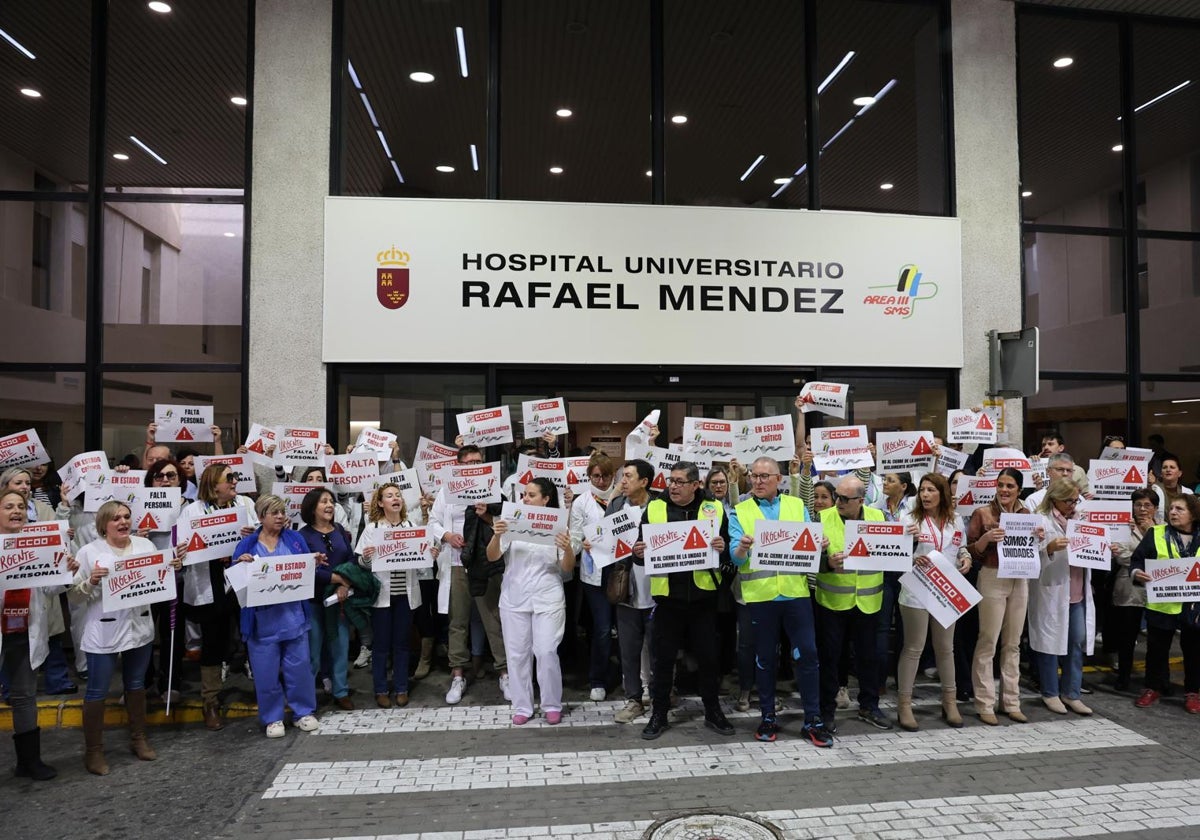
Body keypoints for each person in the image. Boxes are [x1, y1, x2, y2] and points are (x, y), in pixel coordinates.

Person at [71, 500, 182, 774]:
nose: (122, 522)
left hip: (139, 628)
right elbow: (73, 597)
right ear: (103, 524)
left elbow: (158, 583)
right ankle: (94, 751)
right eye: (115, 518)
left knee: (135, 685)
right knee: (97, 690)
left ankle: (138, 738)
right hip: (104, 630)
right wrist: (91, 581)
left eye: (126, 517)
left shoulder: (145, 546)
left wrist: (171, 567)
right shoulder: (88, 552)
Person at [728, 457, 833, 747]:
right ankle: (767, 717)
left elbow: (811, 543)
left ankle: (813, 719)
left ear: (778, 479)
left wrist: (820, 544)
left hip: (795, 594)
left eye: (764, 476)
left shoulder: (796, 506)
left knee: (808, 656)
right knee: (764, 660)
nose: (758, 481)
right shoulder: (740, 510)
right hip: (760, 596)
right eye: (753, 476)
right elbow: (734, 559)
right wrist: (741, 549)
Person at [636, 461, 733, 740]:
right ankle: (659, 713)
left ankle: (713, 710)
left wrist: (722, 547)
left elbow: (725, 551)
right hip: (668, 599)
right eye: (671, 480)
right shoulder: (654, 508)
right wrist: (638, 553)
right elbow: (640, 552)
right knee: (663, 660)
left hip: (703, 598)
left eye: (680, 481)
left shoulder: (713, 508)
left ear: (695, 485)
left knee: (708, 659)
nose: (673, 486)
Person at [487, 477, 575, 725]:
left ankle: (551, 704)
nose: (525, 498)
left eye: (532, 495)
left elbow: (567, 567)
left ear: (546, 499)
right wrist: (496, 536)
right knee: (517, 655)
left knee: (546, 651)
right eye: (524, 494)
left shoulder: (559, 526)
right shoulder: (511, 522)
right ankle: (522, 705)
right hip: (514, 597)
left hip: (548, 597)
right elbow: (492, 556)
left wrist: (567, 548)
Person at [231, 495, 321, 737]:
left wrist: (315, 561)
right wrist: (240, 564)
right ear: (261, 517)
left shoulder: (295, 539)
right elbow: (233, 581)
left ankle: (303, 712)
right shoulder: (247, 545)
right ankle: (273, 718)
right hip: (261, 624)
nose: (281, 517)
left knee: (299, 667)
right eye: (274, 513)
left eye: (282, 512)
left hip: (293, 618)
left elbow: (306, 567)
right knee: (265, 673)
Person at [0, 489, 74, 780]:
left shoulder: (39, 544)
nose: (16, 511)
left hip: (25, 632)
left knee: (24, 696)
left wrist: (65, 572)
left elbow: (50, 589)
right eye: (8, 506)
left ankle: (28, 762)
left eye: (20, 506)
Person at [181, 463, 259, 731]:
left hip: (240, 576)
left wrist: (250, 537)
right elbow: (183, 548)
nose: (235, 481)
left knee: (252, 633)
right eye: (230, 478)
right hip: (209, 580)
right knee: (213, 642)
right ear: (214, 484)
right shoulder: (192, 511)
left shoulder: (245, 505)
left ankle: (263, 687)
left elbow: (262, 535)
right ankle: (210, 701)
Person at [430, 444, 508, 705]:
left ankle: (504, 672)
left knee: (493, 619)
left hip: (485, 562)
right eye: (468, 463)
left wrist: (486, 515)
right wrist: (447, 535)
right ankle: (458, 674)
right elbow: (433, 521)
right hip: (456, 562)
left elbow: (505, 522)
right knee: (458, 621)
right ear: (459, 465)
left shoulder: (493, 489)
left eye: (478, 462)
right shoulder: (446, 490)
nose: (474, 467)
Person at [815, 475, 891, 731]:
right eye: (837, 496)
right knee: (830, 659)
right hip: (832, 603)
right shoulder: (822, 518)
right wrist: (827, 563)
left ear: (860, 499)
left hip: (868, 602)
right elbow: (804, 560)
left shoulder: (879, 518)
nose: (838, 502)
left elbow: (893, 553)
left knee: (868, 658)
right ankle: (826, 710)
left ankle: (869, 705)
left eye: (845, 499)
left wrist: (909, 539)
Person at [896, 473, 971, 731]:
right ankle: (904, 704)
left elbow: (960, 546)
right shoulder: (908, 518)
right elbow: (893, 552)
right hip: (917, 588)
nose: (925, 495)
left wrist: (966, 557)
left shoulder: (956, 519)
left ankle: (950, 701)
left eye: (931, 490)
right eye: (923, 490)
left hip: (945, 589)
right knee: (914, 647)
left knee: (945, 648)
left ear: (942, 494)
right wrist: (911, 546)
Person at [356, 483, 428, 708]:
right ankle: (380, 689)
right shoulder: (373, 528)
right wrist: (367, 556)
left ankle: (401, 688)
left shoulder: (411, 525)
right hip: (382, 596)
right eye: (389, 496)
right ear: (380, 503)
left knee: (402, 643)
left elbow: (421, 561)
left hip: (405, 595)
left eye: (398, 495)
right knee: (381, 644)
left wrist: (429, 553)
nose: (395, 498)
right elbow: (361, 562)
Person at [967, 467, 1031, 724]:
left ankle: (1011, 702)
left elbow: (1034, 549)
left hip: (1020, 578)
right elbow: (970, 551)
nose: (1004, 490)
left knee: (1013, 643)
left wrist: (1036, 537)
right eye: (1001, 485)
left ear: (1019, 489)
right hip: (993, 575)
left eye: (1010, 486)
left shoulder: (1027, 514)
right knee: (988, 641)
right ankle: (984, 703)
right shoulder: (982, 513)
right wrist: (985, 538)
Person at [1029, 478, 1095, 716]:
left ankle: (1072, 692)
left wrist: (1106, 548)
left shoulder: (1080, 518)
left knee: (1076, 641)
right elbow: (1028, 557)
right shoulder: (1040, 520)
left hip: (1077, 591)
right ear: (1054, 498)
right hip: (1051, 590)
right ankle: (1050, 692)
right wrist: (1048, 548)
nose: (1073, 505)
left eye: (1075, 500)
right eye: (1068, 500)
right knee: (1049, 644)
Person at [1130, 495, 1200, 713]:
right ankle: (1152, 688)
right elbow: (1137, 560)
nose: (1173, 512)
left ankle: (1193, 693)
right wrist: (1137, 573)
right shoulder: (1156, 532)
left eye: (1179, 509)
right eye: (1171, 508)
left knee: (1194, 652)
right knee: (1156, 651)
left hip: (1194, 606)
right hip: (1162, 604)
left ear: (1193, 514)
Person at [299, 487, 359, 709]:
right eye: (324, 501)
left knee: (340, 647)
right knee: (312, 653)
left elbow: (352, 559)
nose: (330, 505)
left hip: (339, 600)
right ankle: (305, 699)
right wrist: (336, 579)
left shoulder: (340, 530)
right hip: (313, 601)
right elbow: (305, 569)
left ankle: (341, 691)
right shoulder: (302, 536)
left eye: (331, 501)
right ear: (312, 508)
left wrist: (345, 583)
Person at [568, 452, 620, 701]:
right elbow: (574, 539)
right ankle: (597, 679)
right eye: (596, 476)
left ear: (613, 476)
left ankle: (627, 674)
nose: (600, 481)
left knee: (624, 627)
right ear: (589, 476)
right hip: (594, 573)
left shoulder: (622, 498)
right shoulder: (581, 502)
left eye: (605, 476)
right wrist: (582, 544)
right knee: (601, 628)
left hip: (621, 570)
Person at [608, 459, 656, 724]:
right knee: (628, 649)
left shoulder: (659, 506)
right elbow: (606, 539)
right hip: (625, 586)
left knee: (658, 647)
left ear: (644, 482)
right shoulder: (616, 506)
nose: (622, 481)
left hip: (657, 588)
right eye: (621, 476)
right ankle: (634, 699)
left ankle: (661, 694)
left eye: (628, 476)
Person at [141, 458, 191, 703]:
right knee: (143, 634)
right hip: (144, 580)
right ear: (151, 481)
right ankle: (144, 682)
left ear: (180, 480)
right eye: (159, 476)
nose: (165, 480)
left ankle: (170, 683)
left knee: (173, 634)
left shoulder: (190, 508)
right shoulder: (137, 506)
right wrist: (137, 537)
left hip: (176, 579)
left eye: (171, 476)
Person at [1110, 489, 1157, 691]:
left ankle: (1154, 680)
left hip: (1156, 589)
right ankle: (1123, 677)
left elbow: (1166, 558)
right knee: (1127, 637)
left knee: (1156, 639)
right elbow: (1122, 557)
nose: (1142, 509)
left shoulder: (1163, 528)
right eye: (1138, 505)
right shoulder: (1123, 527)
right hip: (1128, 589)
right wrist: (1146, 558)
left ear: (1155, 508)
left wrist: (1149, 533)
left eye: (1147, 505)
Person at [1152, 454, 1194, 521]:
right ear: (1161, 473)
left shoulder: (1188, 492)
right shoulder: (1153, 490)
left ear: (1179, 473)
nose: (1168, 470)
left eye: (1172, 467)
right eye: (1165, 467)